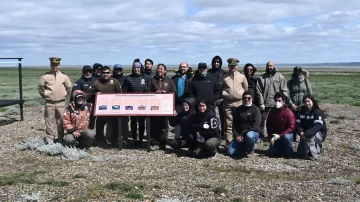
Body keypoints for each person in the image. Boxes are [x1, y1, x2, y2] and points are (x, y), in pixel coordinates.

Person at [86, 66, 126, 146]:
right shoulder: (97, 83)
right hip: (102, 109)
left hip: (114, 108)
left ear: (110, 73)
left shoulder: (115, 82)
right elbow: (88, 96)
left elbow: (120, 94)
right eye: (104, 73)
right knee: (100, 124)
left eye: (107, 73)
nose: (105, 74)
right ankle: (99, 139)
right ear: (101, 73)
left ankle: (114, 140)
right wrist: (95, 95)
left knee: (115, 124)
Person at [38, 57, 72, 144]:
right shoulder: (45, 77)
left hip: (61, 102)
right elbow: (41, 89)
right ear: (50, 65)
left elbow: (68, 88)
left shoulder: (64, 77)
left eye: (56, 65)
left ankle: (60, 138)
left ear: (59, 66)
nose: (55, 66)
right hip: (49, 103)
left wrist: (64, 95)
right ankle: (50, 139)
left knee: (61, 121)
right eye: (53, 65)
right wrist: (46, 96)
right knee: (49, 121)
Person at [256, 61, 289, 140]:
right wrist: (261, 103)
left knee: (277, 120)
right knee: (262, 120)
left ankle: (275, 135)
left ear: (274, 66)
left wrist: (282, 102)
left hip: (276, 104)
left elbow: (284, 90)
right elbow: (258, 91)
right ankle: (261, 136)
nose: (269, 67)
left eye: (271, 66)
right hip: (265, 103)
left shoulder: (280, 77)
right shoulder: (261, 78)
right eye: (268, 66)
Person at [218, 58, 248, 145]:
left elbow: (245, 88)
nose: (232, 67)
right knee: (228, 123)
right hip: (228, 103)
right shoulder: (224, 77)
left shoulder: (242, 77)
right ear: (228, 66)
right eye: (231, 66)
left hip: (239, 102)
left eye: (234, 66)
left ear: (237, 66)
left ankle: (240, 141)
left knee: (240, 122)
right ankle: (229, 142)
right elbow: (219, 88)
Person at [122, 62, 151, 147]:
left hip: (143, 104)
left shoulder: (146, 77)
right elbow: (124, 91)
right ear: (133, 68)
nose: (136, 69)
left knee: (142, 122)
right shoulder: (128, 78)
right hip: (132, 104)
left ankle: (141, 139)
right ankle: (134, 139)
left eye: (138, 67)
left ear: (140, 68)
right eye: (134, 68)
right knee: (133, 122)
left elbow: (149, 90)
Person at [149, 63, 176, 150]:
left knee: (164, 125)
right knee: (154, 125)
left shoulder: (169, 81)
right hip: (154, 106)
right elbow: (146, 91)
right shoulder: (152, 80)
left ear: (165, 71)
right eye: (158, 68)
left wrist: (167, 94)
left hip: (165, 106)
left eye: (161, 69)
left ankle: (162, 142)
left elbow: (173, 93)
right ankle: (154, 142)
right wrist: (154, 93)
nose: (159, 70)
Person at [228, 91, 261, 158]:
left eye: (249, 98)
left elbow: (255, 125)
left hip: (251, 133)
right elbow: (234, 124)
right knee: (230, 153)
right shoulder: (238, 109)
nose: (246, 99)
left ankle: (250, 149)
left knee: (249, 136)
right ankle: (243, 146)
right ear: (242, 99)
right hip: (240, 135)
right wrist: (236, 135)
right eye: (244, 98)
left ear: (252, 99)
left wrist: (242, 134)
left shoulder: (256, 109)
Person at [296, 95, 327, 160]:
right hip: (304, 133)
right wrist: (300, 132)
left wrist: (306, 134)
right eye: (305, 102)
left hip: (319, 134)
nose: (307, 103)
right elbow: (298, 124)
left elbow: (317, 126)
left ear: (312, 101)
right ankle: (316, 147)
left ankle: (313, 155)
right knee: (300, 154)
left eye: (308, 101)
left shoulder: (317, 112)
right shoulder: (301, 111)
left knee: (310, 138)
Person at [105, 63, 129, 145]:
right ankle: (111, 138)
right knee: (111, 122)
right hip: (112, 103)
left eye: (120, 69)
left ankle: (124, 138)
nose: (118, 71)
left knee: (124, 122)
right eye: (117, 69)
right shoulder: (110, 79)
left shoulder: (125, 79)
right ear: (114, 70)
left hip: (124, 103)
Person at [267, 92, 295, 158]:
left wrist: (280, 135)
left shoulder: (289, 112)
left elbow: (291, 127)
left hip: (286, 135)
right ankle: (281, 148)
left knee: (287, 138)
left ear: (284, 101)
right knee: (271, 153)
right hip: (276, 136)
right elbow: (268, 124)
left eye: (279, 101)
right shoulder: (272, 111)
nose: (277, 102)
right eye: (276, 101)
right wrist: (270, 136)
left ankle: (289, 153)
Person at [171, 62, 194, 139]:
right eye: (181, 67)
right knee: (177, 119)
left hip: (188, 103)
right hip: (178, 102)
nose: (182, 68)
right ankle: (177, 138)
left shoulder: (191, 78)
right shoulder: (174, 78)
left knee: (188, 120)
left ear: (187, 68)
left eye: (184, 67)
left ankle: (187, 138)